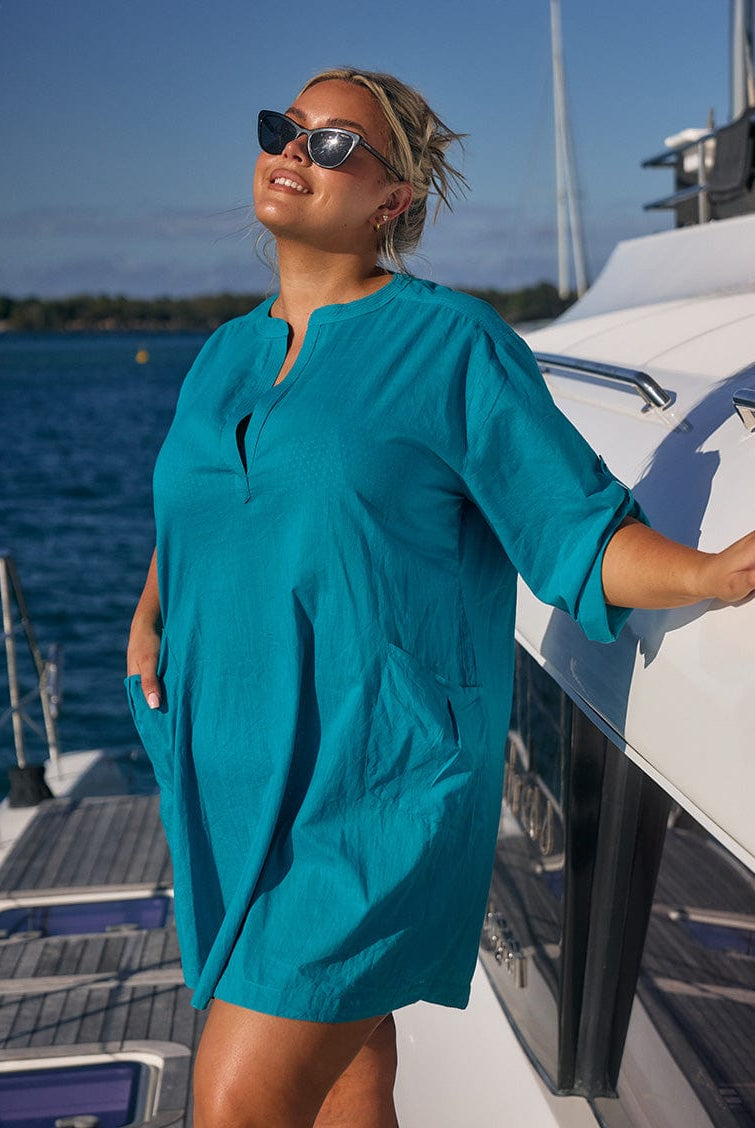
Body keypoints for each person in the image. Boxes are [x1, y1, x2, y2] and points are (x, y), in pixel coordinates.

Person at [126, 67, 755, 1128]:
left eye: (333, 143)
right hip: (226, 766)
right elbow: (204, 502)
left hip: (370, 786)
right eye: (284, 128)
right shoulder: (223, 353)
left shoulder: (451, 345)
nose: (293, 150)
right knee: (351, 1070)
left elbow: (571, 530)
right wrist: (149, 614)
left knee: (236, 1101)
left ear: (393, 200)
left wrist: (709, 571)